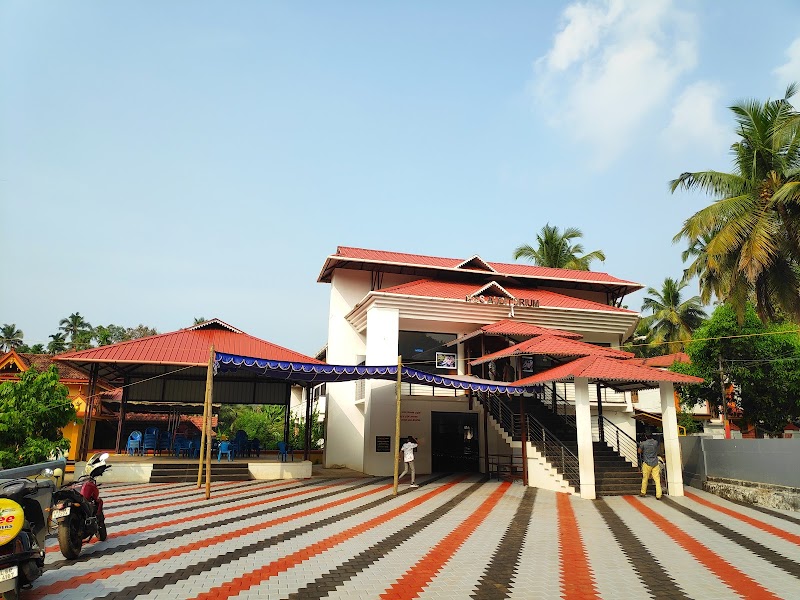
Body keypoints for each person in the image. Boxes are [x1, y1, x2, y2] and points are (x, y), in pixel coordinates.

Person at [638, 430, 662, 499]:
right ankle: (659, 495)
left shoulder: (643, 443)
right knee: (657, 479)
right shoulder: (655, 442)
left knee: (645, 478)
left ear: (645, 436)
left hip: (647, 463)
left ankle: (643, 492)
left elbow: (639, 451)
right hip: (655, 463)